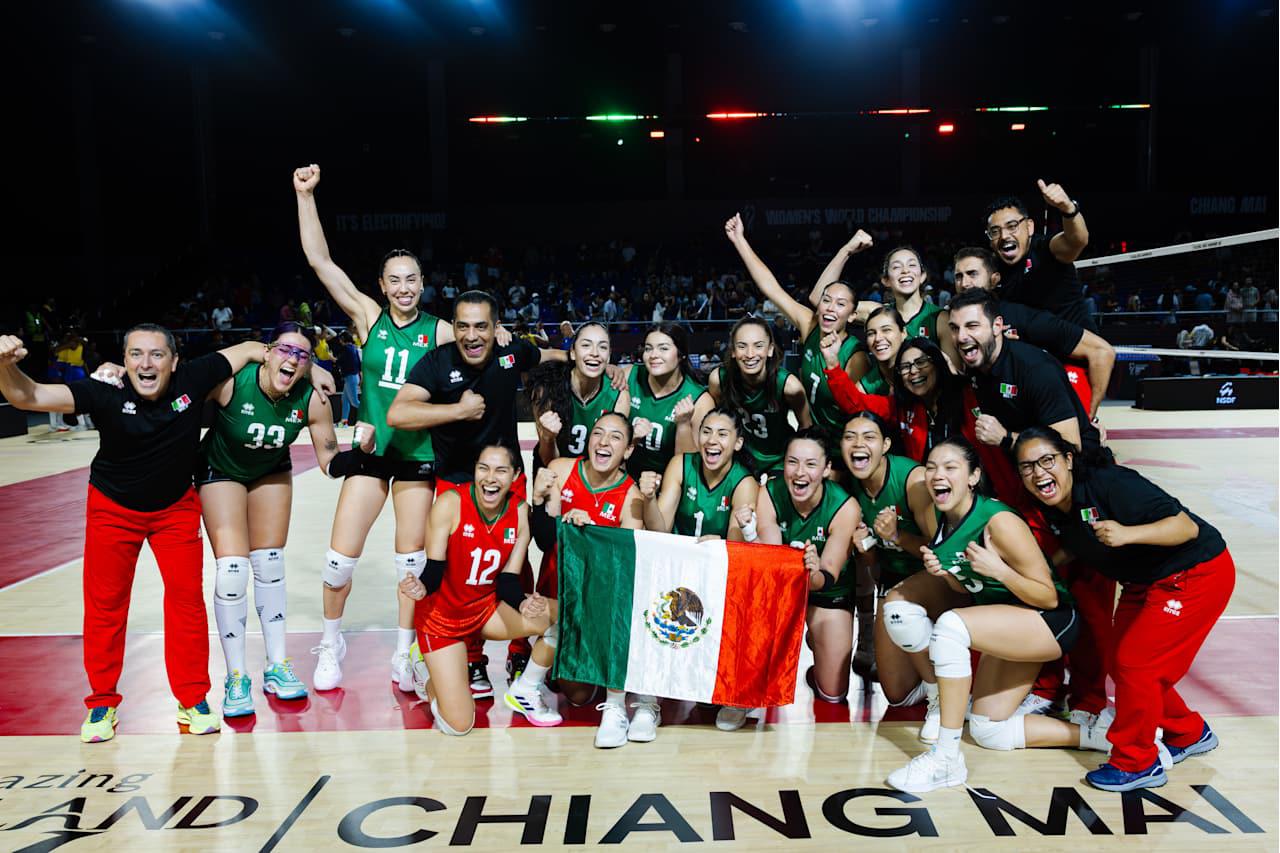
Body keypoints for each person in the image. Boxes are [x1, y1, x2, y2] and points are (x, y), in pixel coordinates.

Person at [0, 326, 289, 742]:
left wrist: (300, 365)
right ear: (124, 359)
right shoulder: (105, 392)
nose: (145, 364)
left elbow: (247, 349)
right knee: (105, 606)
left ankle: (192, 699)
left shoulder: (194, 378)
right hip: (112, 508)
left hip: (174, 509)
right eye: (135, 355)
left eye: (156, 355)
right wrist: (7, 367)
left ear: (174, 362)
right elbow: (27, 396)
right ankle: (101, 701)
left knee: (186, 603)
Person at [296, 163, 483, 695]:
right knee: (337, 563)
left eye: (412, 279)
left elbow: (495, 345)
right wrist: (305, 195)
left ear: (424, 284)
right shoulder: (367, 318)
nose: (404, 288)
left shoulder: (444, 331)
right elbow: (320, 260)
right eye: (394, 280)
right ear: (382, 286)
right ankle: (331, 643)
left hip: (419, 458)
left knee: (412, 564)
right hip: (372, 454)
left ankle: (404, 655)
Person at [882, 439, 1109, 794]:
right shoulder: (940, 518)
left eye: (950, 467)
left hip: (1050, 622)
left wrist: (999, 571)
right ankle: (1105, 735)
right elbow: (967, 589)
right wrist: (947, 574)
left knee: (950, 627)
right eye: (931, 467)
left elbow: (1048, 596)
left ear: (973, 477)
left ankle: (945, 759)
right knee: (989, 729)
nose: (937, 475)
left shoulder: (998, 520)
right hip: (1013, 623)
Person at [1015, 427, 1234, 792]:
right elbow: (1077, 543)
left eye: (1047, 461)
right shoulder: (1052, 507)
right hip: (1145, 581)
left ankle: (1137, 762)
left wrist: (1128, 534)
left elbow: (1185, 527)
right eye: (1027, 467)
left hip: (1195, 572)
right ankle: (1188, 732)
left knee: (1137, 664)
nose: (1039, 473)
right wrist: (1044, 571)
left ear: (1069, 460)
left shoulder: (1111, 483)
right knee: (1122, 662)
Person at [196, 322, 374, 717]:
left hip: (270, 470)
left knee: (271, 565)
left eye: (302, 355)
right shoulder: (231, 382)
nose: (292, 359)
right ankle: (236, 676)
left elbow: (330, 463)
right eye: (284, 350)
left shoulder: (312, 399)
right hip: (220, 469)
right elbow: (184, 389)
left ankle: (276, 666)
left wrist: (363, 451)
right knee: (231, 570)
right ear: (266, 352)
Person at [397, 446, 557, 735]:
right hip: (442, 621)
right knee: (459, 726)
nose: (490, 478)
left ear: (515, 476)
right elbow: (434, 570)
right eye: (483, 468)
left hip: (485, 611)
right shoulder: (450, 503)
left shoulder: (520, 511)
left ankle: (526, 688)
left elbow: (508, 580)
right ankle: (424, 669)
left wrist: (521, 604)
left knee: (563, 615)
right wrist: (420, 587)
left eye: (500, 470)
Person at [511, 413, 647, 747]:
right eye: (598, 433)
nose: (604, 442)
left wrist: (592, 536)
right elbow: (542, 540)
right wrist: (546, 506)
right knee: (578, 695)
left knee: (583, 691)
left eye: (615, 437)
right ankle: (543, 673)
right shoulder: (560, 470)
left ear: (628, 450)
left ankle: (549, 676)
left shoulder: (632, 496)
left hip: (599, 606)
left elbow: (627, 563)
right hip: (555, 596)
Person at [638, 407, 760, 731]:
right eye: (706, 431)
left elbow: (736, 550)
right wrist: (648, 499)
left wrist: (718, 543)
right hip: (676, 570)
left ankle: (734, 690)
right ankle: (648, 702)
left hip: (717, 575)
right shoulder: (681, 464)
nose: (712, 440)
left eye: (722, 433)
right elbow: (659, 529)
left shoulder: (745, 483)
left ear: (737, 443)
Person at [725, 213, 869, 440]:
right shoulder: (809, 324)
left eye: (840, 304)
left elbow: (856, 411)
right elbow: (771, 288)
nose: (830, 307)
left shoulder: (855, 355)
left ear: (852, 316)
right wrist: (739, 240)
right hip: (810, 436)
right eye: (826, 300)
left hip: (839, 446)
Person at [753, 429, 862, 703]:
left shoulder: (845, 507)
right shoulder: (770, 493)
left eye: (811, 464)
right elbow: (771, 560)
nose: (800, 472)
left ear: (826, 469)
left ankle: (818, 639)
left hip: (825, 595)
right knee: (758, 674)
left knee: (833, 694)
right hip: (781, 591)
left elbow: (826, 577)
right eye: (793, 462)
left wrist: (811, 572)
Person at [952, 247, 1115, 419]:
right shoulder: (946, 320)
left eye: (972, 274)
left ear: (994, 280)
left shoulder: (1022, 318)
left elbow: (1103, 351)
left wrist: (1090, 417)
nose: (964, 283)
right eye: (958, 276)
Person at [838, 411, 936, 683]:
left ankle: (940, 684)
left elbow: (942, 555)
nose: (858, 444)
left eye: (868, 437)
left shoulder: (913, 481)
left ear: (886, 445)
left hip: (936, 581)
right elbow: (877, 571)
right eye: (850, 437)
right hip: (891, 583)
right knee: (893, 690)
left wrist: (898, 536)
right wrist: (867, 552)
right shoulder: (849, 485)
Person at [947, 289, 1102, 455]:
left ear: (997, 326)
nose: (961, 336)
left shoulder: (1036, 369)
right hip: (1023, 468)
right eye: (954, 328)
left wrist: (1005, 438)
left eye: (972, 326)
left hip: (1077, 472)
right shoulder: (974, 363)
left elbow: (1070, 446)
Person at [693, 317, 810, 476]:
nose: (750, 354)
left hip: (778, 460)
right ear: (733, 351)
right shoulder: (719, 380)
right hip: (738, 456)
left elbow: (806, 428)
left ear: (770, 350)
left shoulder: (790, 387)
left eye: (758, 346)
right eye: (742, 346)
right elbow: (717, 420)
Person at [985, 181, 1094, 330]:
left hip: (1081, 349)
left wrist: (1068, 208)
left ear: (1029, 227)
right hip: (1034, 350)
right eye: (995, 231)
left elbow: (1077, 241)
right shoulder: (993, 270)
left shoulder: (1045, 249)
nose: (1004, 236)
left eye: (1012, 226)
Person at [811, 239, 946, 343]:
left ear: (922, 276)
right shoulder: (877, 313)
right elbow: (819, 298)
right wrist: (846, 250)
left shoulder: (939, 318)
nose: (905, 270)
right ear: (886, 280)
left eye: (911, 265)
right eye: (896, 267)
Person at [621, 323, 708, 480]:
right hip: (624, 475)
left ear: (681, 354)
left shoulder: (700, 400)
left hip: (670, 484)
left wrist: (683, 425)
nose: (654, 355)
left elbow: (690, 467)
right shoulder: (628, 376)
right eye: (648, 348)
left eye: (663, 348)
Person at [334, 331, 361, 425]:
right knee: (345, 400)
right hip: (353, 377)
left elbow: (340, 361)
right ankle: (344, 422)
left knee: (354, 402)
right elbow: (359, 363)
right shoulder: (354, 348)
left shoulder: (346, 349)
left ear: (343, 339)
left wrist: (331, 358)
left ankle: (372, 417)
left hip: (350, 378)